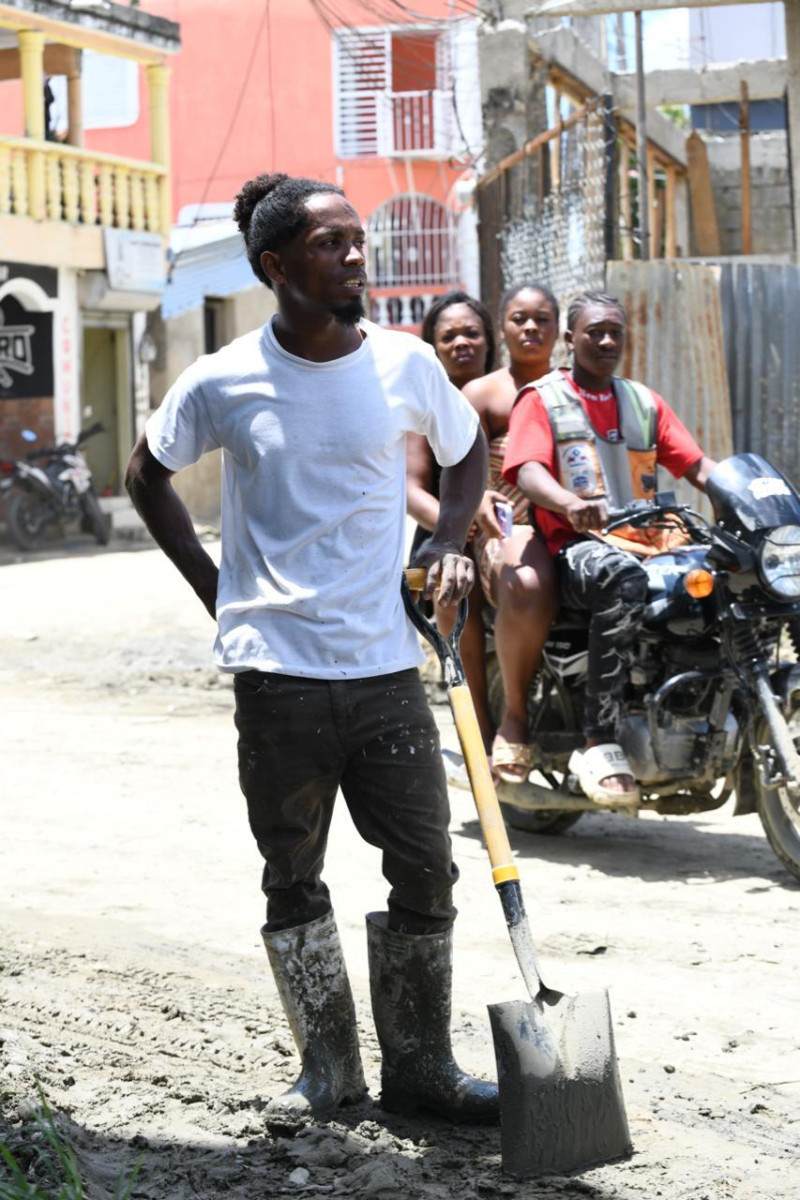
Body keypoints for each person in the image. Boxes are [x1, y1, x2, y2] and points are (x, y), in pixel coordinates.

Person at [125, 172, 497, 1129]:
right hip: (278, 675)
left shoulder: (406, 363)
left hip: (385, 669)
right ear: (276, 266)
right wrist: (216, 590)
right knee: (291, 873)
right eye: (331, 244)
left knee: (427, 868)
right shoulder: (223, 378)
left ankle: (423, 1068)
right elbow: (146, 474)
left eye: (357, 239)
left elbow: (465, 454)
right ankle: (327, 1071)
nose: (355, 256)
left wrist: (447, 540)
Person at [503, 291, 716, 807]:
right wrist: (568, 503)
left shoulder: (642, 401)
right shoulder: (542, 398)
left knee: (724, 574)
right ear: (570, 339)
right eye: (594, 331)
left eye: (614, 332)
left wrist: (748, 498)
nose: (605, 341)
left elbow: (697, 466)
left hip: (650, 540)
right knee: (622, 578)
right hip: (579, 544)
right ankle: (599, 738)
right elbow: (527, 470)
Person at [461, 283, 561, 783]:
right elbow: (461, 473)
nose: (531, 328)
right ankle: (513, 718)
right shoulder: (482, 394)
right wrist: (478, 504)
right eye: (519, 318)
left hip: (572, 529)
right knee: (525, 579)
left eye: (542, 319)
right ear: (502, 328)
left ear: (560, 331)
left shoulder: (572, 390)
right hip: (505, 529)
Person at [406, 291, 497, 753]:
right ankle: (477, 731)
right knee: (455, 592)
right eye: (449, 336)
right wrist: (456, 528)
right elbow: (411, 490)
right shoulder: (424, 406)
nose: (461, 342)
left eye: (471, 333)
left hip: (508, 532)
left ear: (489, 341)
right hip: (446, 536)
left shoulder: (511, 394)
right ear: (433, 347)